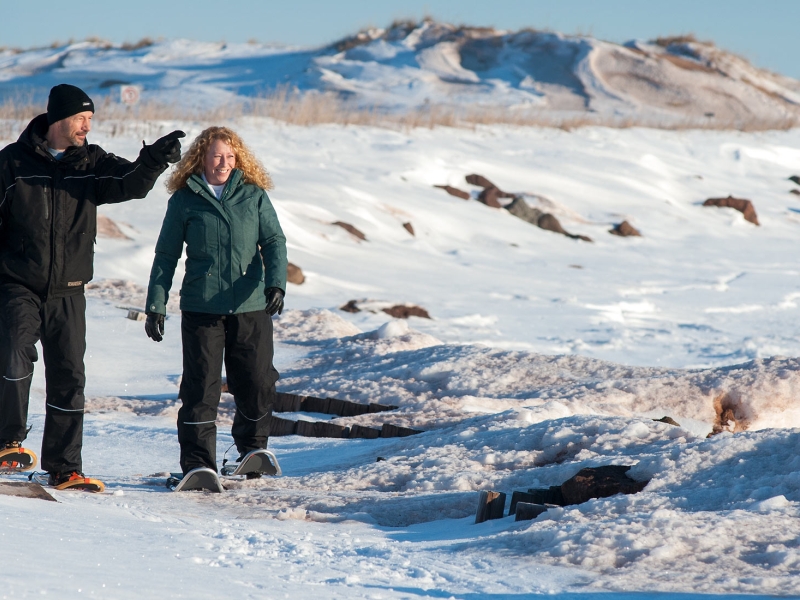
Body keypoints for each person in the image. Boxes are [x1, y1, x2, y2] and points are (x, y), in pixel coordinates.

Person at [0, 83, 185, 489]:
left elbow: (129, 183)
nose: (87, 126)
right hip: (18, 284)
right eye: (81, 119)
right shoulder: (11, 163)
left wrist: (153, 160)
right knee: (13, 355)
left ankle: (64, 468)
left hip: (69, 289)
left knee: (69, 377)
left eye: (90, 120)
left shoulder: (91, 161)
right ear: (58, 119)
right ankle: (6, 442)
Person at [144, 126, 287, 480]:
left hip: (250, 304)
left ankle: (252, 448)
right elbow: (166, 256)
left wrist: (276, 283)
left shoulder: (253, 196)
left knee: (257, 381)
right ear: (201, 159)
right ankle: (198, 463)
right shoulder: (184, 199)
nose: (224, 163)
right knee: (201, 389)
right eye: (217, 156)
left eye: (230, 156)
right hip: (202, 308)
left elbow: (274, 241)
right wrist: (156, 304)